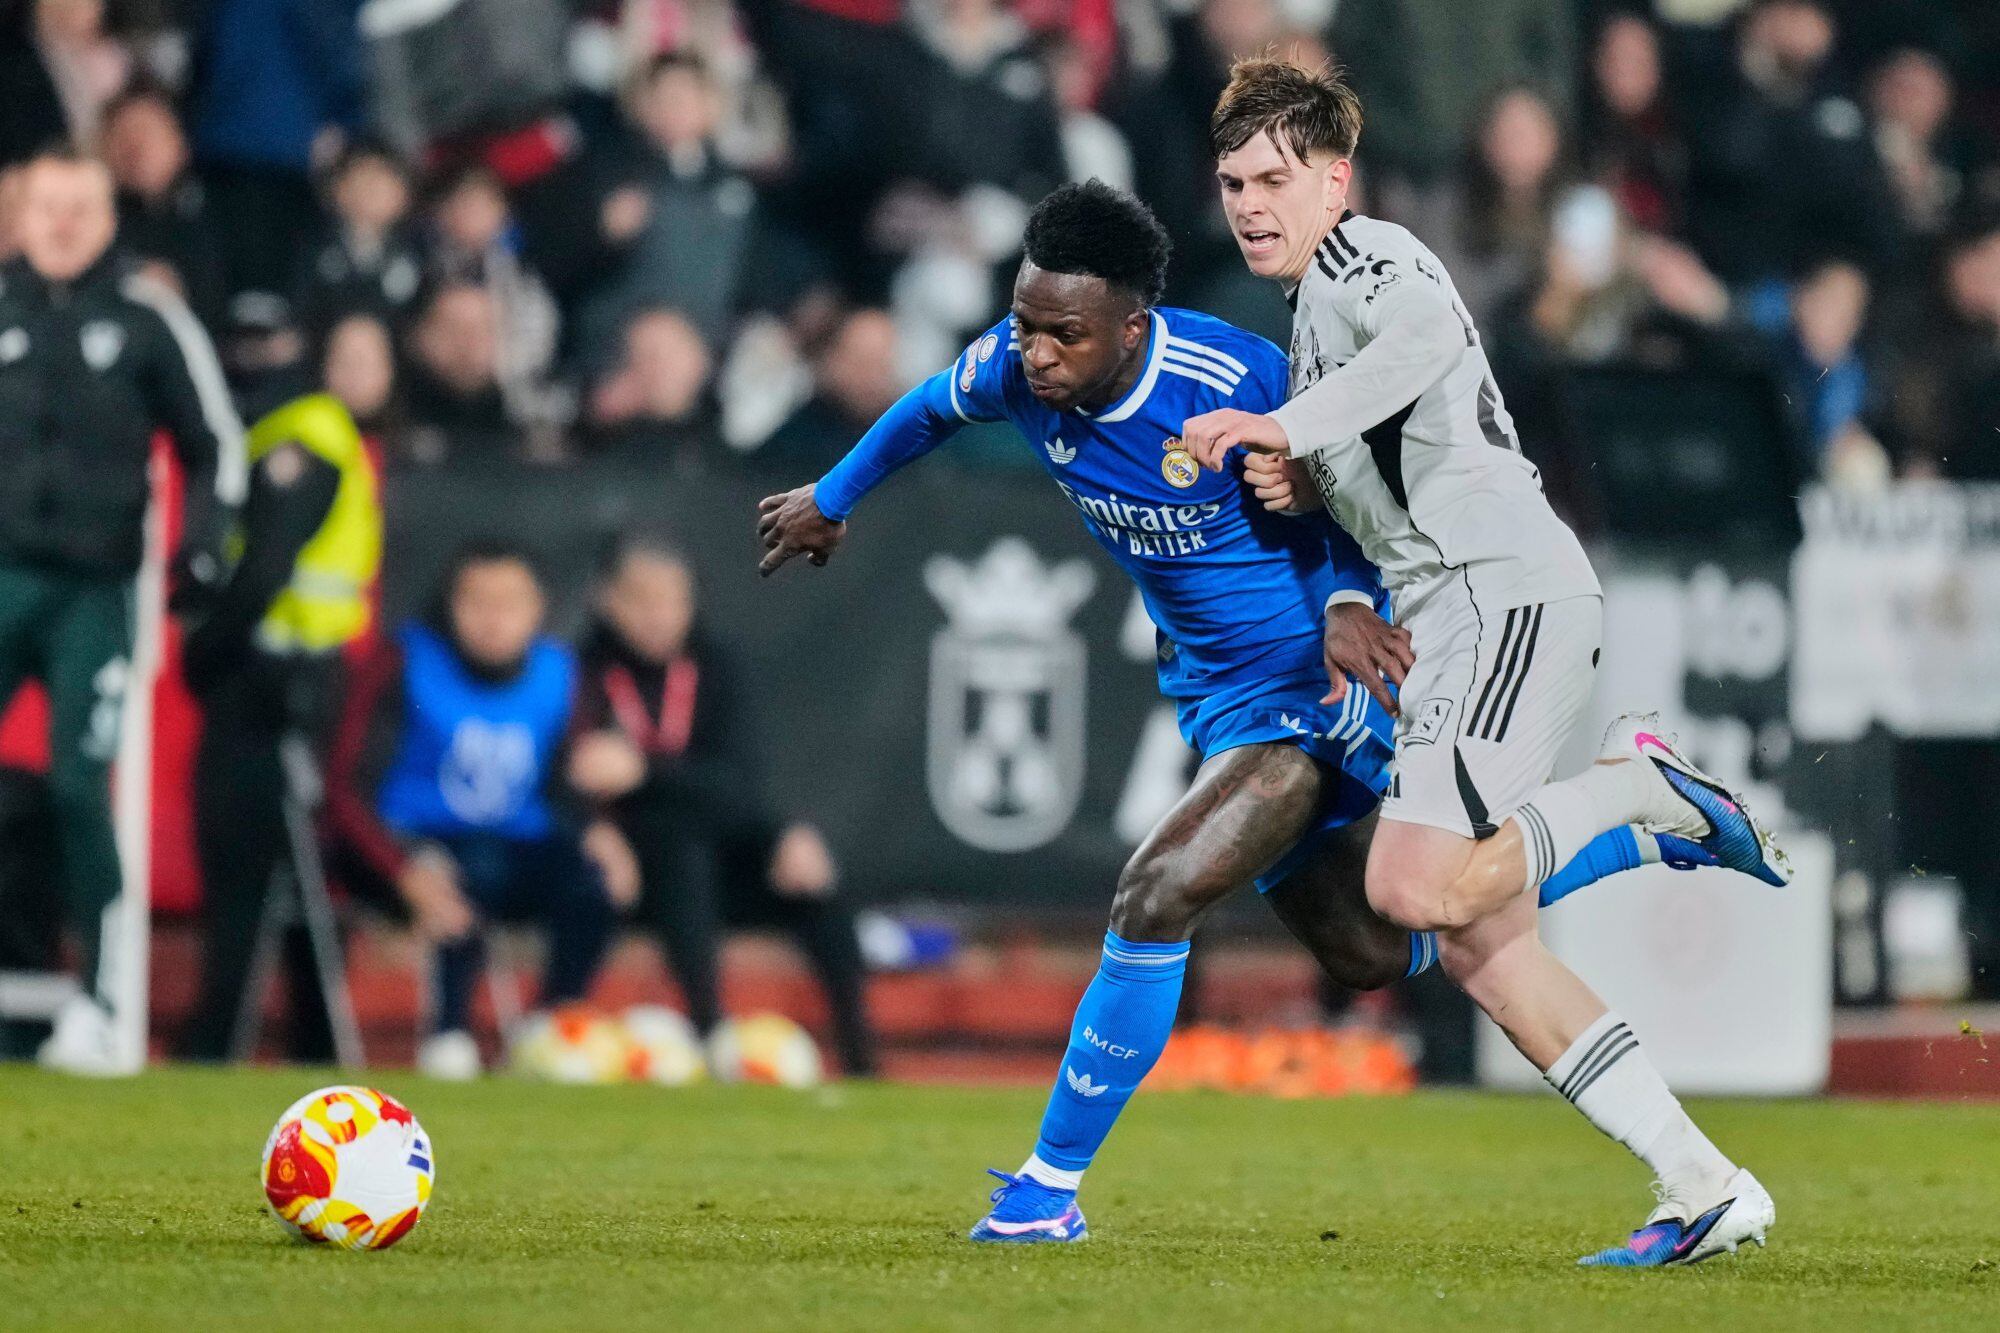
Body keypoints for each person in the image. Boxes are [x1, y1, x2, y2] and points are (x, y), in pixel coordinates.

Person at [757, 181, 1710, 1246]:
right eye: (1025, 325)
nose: (1034, 353)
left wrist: (1351, 597)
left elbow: (1365, 480)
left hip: (1317, 690)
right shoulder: (1012, 369)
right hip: (1221, 703)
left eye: (1062, 334)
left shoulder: (1230, 377)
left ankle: (1043, 1188)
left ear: (1131, 325)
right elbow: (927, 409)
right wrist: (829, 498)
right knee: (1369, 947)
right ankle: (1635, 830)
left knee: (1155, 892)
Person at [1182, 58, 1786, 1267]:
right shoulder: (1309, 316)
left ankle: (1641, 789)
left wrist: (1283, 429)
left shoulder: (1374, 261)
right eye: (1231, 181)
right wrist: (1319, 505)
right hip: (1455, 605)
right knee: (1479, 943)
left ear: (1333, 179)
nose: (1249, 201)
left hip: (1499, 594)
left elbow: (1418, 345)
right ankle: (1704, 1182)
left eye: (1273, 177)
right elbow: (1388, 463)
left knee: (1407, 891)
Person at [0, 148, 242, 1075]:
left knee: (76, 783)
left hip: (91, 593)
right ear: (22, 213)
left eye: (81, 207)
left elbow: (214, 440)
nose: (62, 223)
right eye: (47, 205)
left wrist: (207, 542)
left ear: (109, 216)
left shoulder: (147, 318)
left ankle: (100, 1001)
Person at [572, 534, 879, 1076]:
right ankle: (711, 1038)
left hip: (725, 860)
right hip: (636, 874)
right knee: (678, 845)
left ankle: (862, 1061)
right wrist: (593, 825)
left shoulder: (716, 667)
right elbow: (573, 779)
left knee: (813, 879)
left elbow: (737, 785)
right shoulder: (581, 672)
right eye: (640, 599)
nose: (657, 616)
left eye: (671, 600)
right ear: (607, 601)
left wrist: (781, 833)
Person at [323, 542, 630, 1079]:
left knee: (593, 879)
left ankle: (552, 1027)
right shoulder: (407, 661)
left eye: (510, 603)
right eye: (476, 602)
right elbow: (344, 789)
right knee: (466, 875)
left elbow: (574, 777)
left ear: (538, 610)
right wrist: (402, 871)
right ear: (450, 606)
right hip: (415, 844)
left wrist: (601, 829)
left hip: (517, 846)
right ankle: (449, 1035)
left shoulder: (559, 674)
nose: (493, 619)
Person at [178, 388, 383, 1063]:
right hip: (309, 680)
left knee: (251, 871)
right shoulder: (310, 429)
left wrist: (205, 649)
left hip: (272, 681)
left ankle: (220, 1040)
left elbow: (266, 564)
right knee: (299, 870)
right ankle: (315, 1044)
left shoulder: (305, 430)